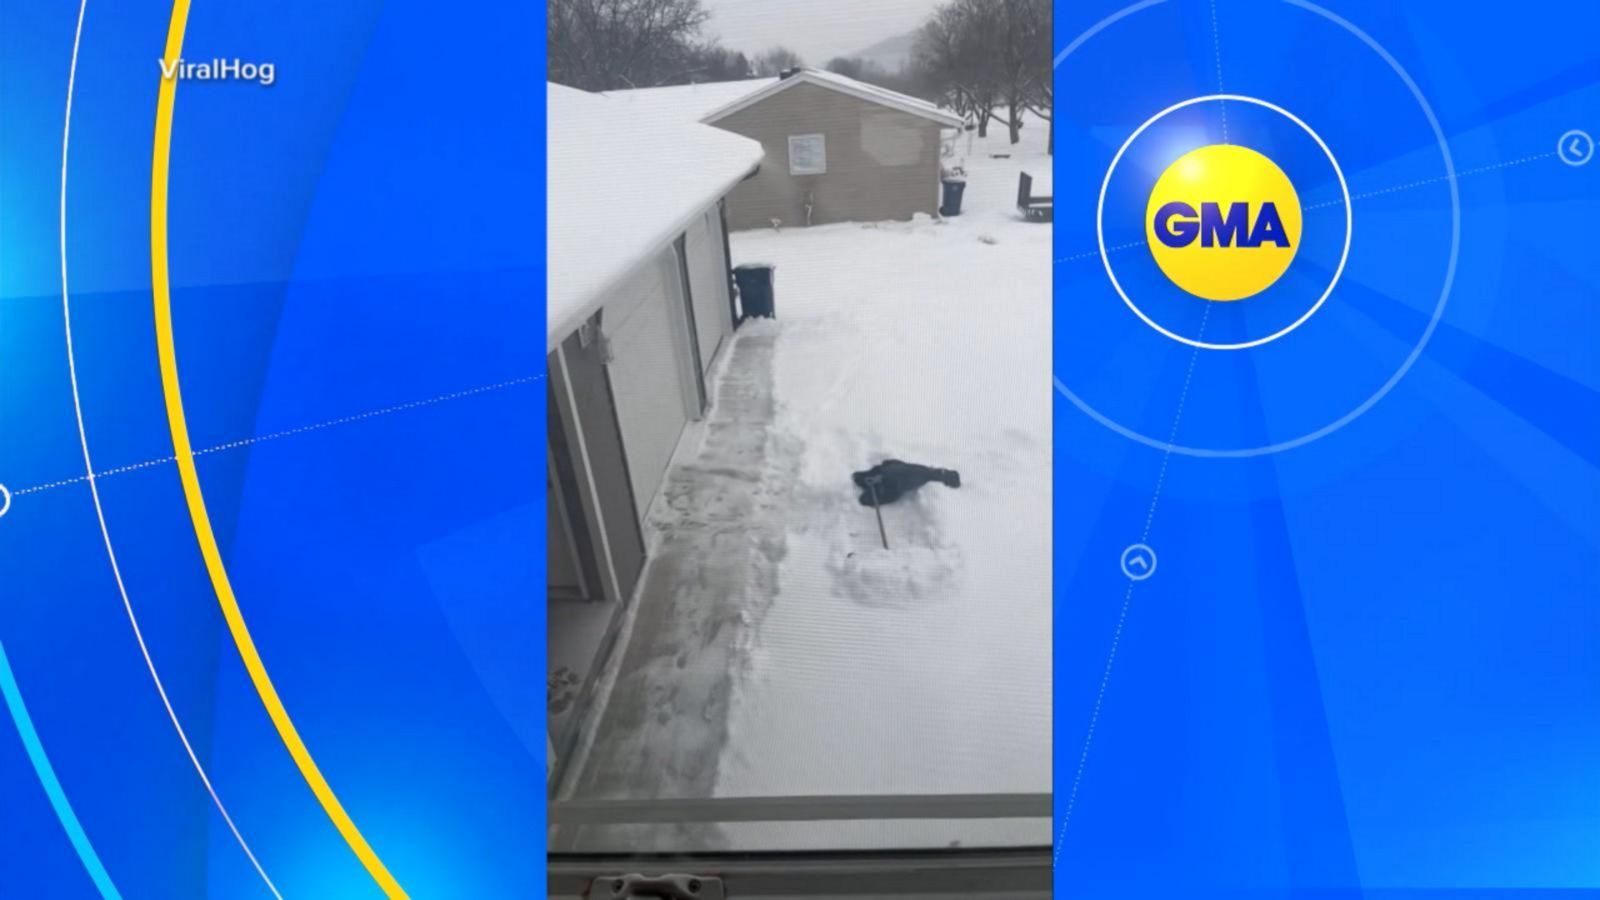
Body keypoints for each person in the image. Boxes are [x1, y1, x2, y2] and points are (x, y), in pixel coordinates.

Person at [851, 459, 961, 506]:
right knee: (865, 494)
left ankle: (875, 483)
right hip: (889, 475)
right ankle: (874, 483)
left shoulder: (923, 473)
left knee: (867, 496)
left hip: (891, 475)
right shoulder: (923, 473)